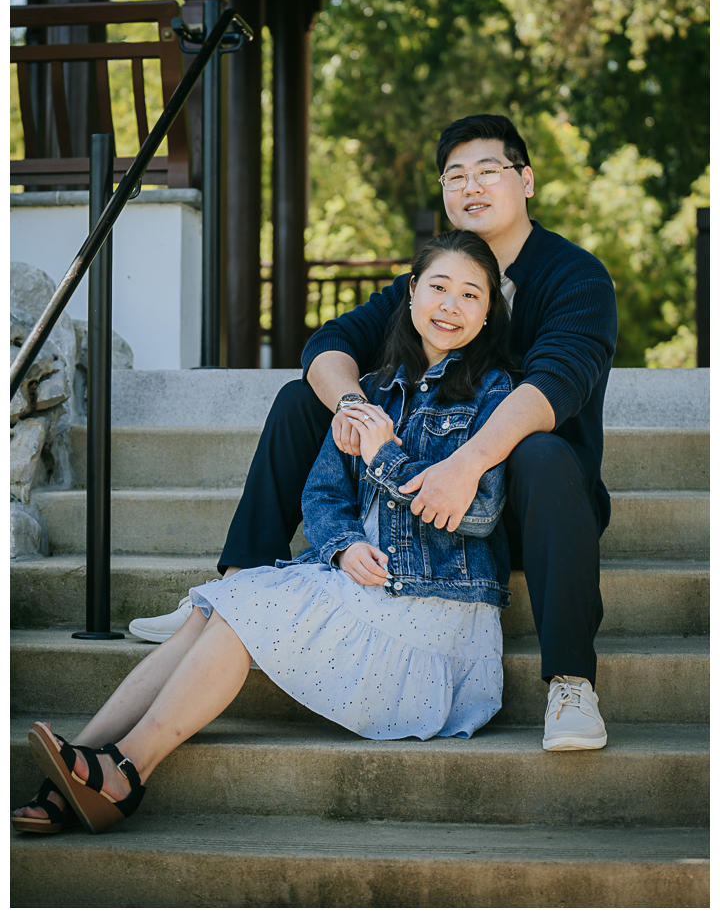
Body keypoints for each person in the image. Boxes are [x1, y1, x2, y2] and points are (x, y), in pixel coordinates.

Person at [133, 113, 616, 754]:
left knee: (545, 453)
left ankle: (571, 683)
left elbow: (553, 385)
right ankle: (231, 589)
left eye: (489, 171)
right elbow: (330, 345)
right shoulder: (434, 277)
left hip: (525, 505)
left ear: (525, 181)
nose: (471, 186)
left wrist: (467, 465)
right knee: (301, 400)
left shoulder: (574, 277)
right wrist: (358, 412)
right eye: (455, 175)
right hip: (413, 499)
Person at [14, 231, 517, 835]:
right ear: (410, 294)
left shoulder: (494, 394)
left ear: (488, 313)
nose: (450, 306)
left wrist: (384, 455)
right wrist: (342, 543)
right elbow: (324, 494)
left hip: (433, 609)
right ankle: (79, 765)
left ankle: (125, 771)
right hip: (363, 579)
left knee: (237, 610)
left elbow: (477, 512)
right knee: (214, 609)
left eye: (470, 295)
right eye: (438, 287)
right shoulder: (375, 389)